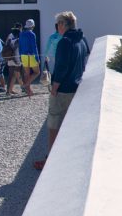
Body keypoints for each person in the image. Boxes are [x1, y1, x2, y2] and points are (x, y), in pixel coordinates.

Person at [35, 11, 90, 171]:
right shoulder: (82, 39)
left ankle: (51, 159)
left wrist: (54, 87)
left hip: (63, 89)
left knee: (54, 123)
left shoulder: (64, 42)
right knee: (70, 124)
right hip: (77, 87)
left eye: (57, 24)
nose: (57, 27)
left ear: (62, 24)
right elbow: (86, 56)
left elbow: (61, 66)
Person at [19, 19, 41, 96]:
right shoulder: (32, 34)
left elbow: (20, 46)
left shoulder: (21, 34)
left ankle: (29, 91)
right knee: (37, 72)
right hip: (31, 55)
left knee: (27, 74)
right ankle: (25, 86)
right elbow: (34, 47)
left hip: (23, 55)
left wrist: (20, 56)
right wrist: (37, 58)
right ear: (33, 26)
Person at [4, 24, 23, 96]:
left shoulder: (10, 39)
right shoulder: (18, 40)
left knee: (12, 75)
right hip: (17, 59)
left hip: (10, 58)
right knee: (17, 74)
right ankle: (23, 87)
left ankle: (9, 90)